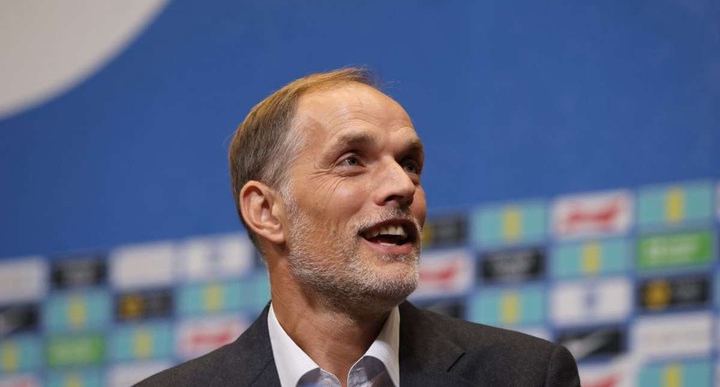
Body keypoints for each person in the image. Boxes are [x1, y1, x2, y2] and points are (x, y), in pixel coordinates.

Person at [137, 68, 580, 387]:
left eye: (410, 164)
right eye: (352, 160)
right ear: (267, 212)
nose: (403, 186)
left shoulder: (525, 375)